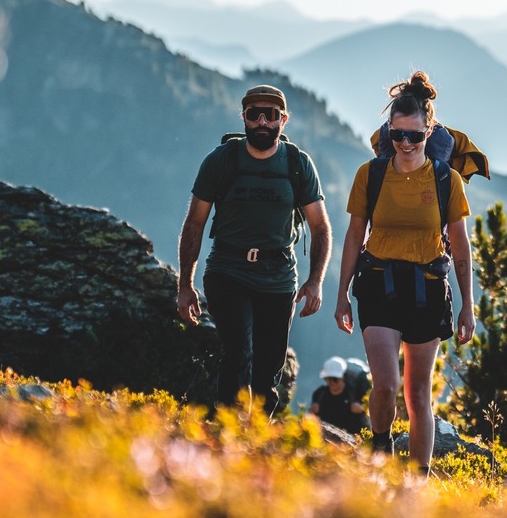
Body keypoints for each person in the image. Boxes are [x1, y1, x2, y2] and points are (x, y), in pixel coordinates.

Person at [334, 71, 475, 477]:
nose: (406, 144)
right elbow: (354, 236)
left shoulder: (446, 181)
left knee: (417, 394)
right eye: (398, 136)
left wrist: (468, 305)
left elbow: (461, 245)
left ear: (429, 131)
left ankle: (418, 481)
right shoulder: (372, 175)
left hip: (428, 288)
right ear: (388, 132)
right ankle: (380, 448)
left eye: (414, 135)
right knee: (385, 384)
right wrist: (342, 293)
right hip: (378, 283)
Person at [177, 84, 332, 416]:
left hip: (278, 277)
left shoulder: (297, 165)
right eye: (254, 114)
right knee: (238, 351)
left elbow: (320, 227)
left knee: (268, 369)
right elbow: (194, 224)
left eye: (271, 115)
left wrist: (315, 280)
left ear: (283, 120)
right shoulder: (220, 162)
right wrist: (185, 286)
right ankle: (228, 435)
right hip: (227, 270)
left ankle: (260, 440)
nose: (262, 121)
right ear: (244, 118)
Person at [309, 356, 369, 434]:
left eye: (334, 379)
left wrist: (362, 409)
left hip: (354, 438)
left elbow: (368, 413)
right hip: (327, 438)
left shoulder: (356, 392)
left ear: (342, 377)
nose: (331, 382)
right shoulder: (319, 394)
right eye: (328, 378)